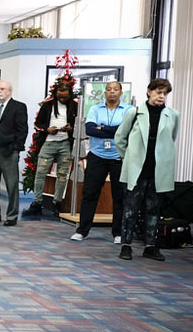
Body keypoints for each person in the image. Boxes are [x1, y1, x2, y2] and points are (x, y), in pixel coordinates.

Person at [115, 78, 179, 261]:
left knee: (154, 210)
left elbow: (171, 139)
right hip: (137, 168)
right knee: (130, 209)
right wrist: (128, 157)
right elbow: (120, 138)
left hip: (159, 170)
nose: (162, 96)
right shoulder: (134, 113)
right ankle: (126, 245)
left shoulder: (173, 115)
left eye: (165, 93)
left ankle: (150, 246)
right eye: (159, 92)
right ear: (149, 91)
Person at [72, 81, 131, 243]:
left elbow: (127, 131)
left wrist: (102, 128)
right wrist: (114, 130)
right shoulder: (95, 109)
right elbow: (89, 129)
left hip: (119, 156)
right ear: (105, 93)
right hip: (97, 156)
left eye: (116, 89)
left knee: (119, 196)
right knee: (90, 193)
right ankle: (82, 230)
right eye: (109, 90)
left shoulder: (129, 110)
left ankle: (118, 232)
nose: (112, 92)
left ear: (121, 92)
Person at [22, 82, 78, 217]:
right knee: (40, 173)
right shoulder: (47, 106)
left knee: (62, 174)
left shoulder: (75, 106)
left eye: (65, 97)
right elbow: (37, 123)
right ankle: (37, 203)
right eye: (60, 96)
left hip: (65, 143)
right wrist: (47, 129)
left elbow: (80, 123)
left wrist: (71, 128)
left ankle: (57, 203)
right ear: (55, 94)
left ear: (70, 95)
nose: (62, 99)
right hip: (48, 142)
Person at [0, 80, 28, 226]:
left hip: (8, 150)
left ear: (10, 91)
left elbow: (22, 130)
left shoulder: (18, 107)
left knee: (11, 184)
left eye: (2, 89)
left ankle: (12, 216)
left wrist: (16, 147)